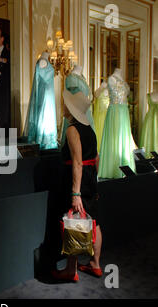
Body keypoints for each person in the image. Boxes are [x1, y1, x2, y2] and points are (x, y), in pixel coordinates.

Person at [51, 90, 103, 282]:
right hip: (90, 179)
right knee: (94, 221)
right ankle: (95, 264)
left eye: (66, 104)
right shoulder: (90, 129)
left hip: (77, 180)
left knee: (74, 220)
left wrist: (75, 192)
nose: (63, 106)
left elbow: (78, 162)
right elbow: (96, 158)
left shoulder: (73, 130)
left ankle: (70, 270)